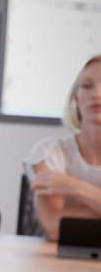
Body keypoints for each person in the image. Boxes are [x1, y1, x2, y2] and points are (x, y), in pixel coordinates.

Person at [25, 56, 101, 240]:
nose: (97, 93)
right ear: (76, 97)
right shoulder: (49, 152)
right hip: (59, 262)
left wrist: (74, 187)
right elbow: (54, 227)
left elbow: (68, 224)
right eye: (87, 86)